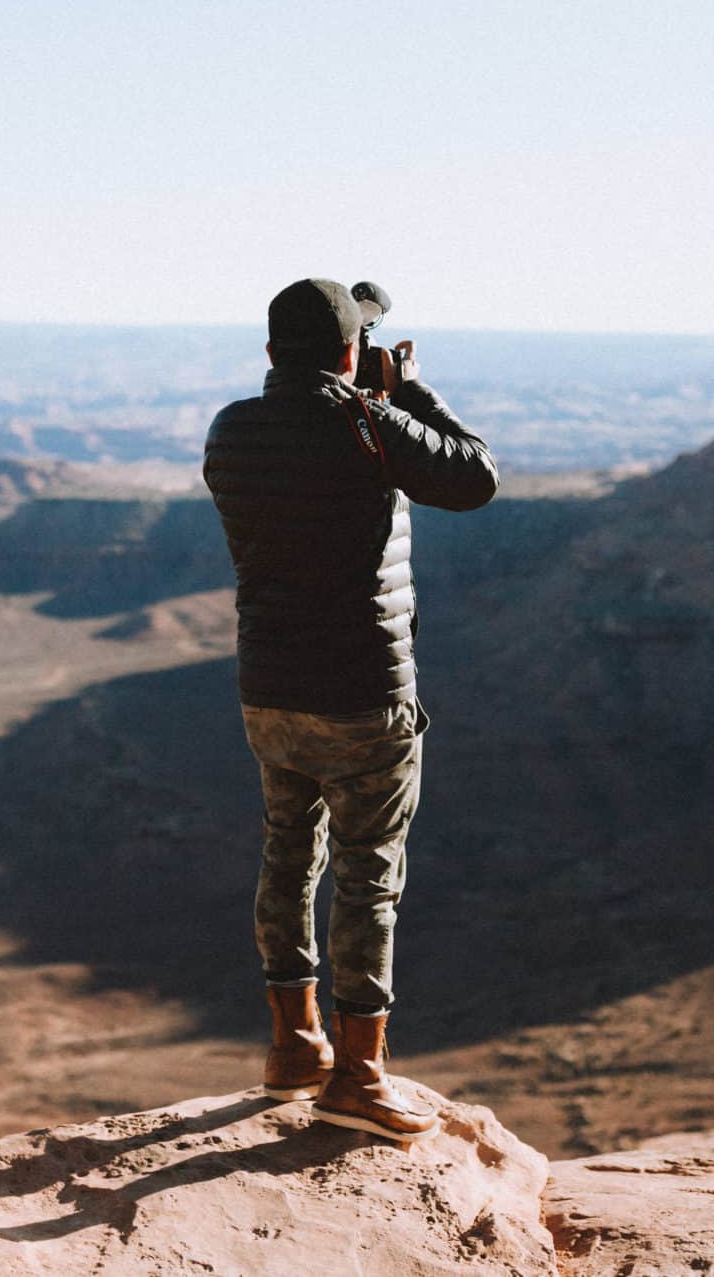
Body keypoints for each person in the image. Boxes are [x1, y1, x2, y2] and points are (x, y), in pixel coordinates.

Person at [202, 278, 498, 1143]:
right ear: (347, 352)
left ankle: (295, 1043)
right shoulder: (368, 427)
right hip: (364, 692)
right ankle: (360, 1073)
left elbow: (301, 457)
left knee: (288, 851)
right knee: (369, 872)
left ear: (268, 353)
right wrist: (401, 389)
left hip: (270, 686)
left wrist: (356, 389)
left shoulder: (232, 428)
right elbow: (474, 475)